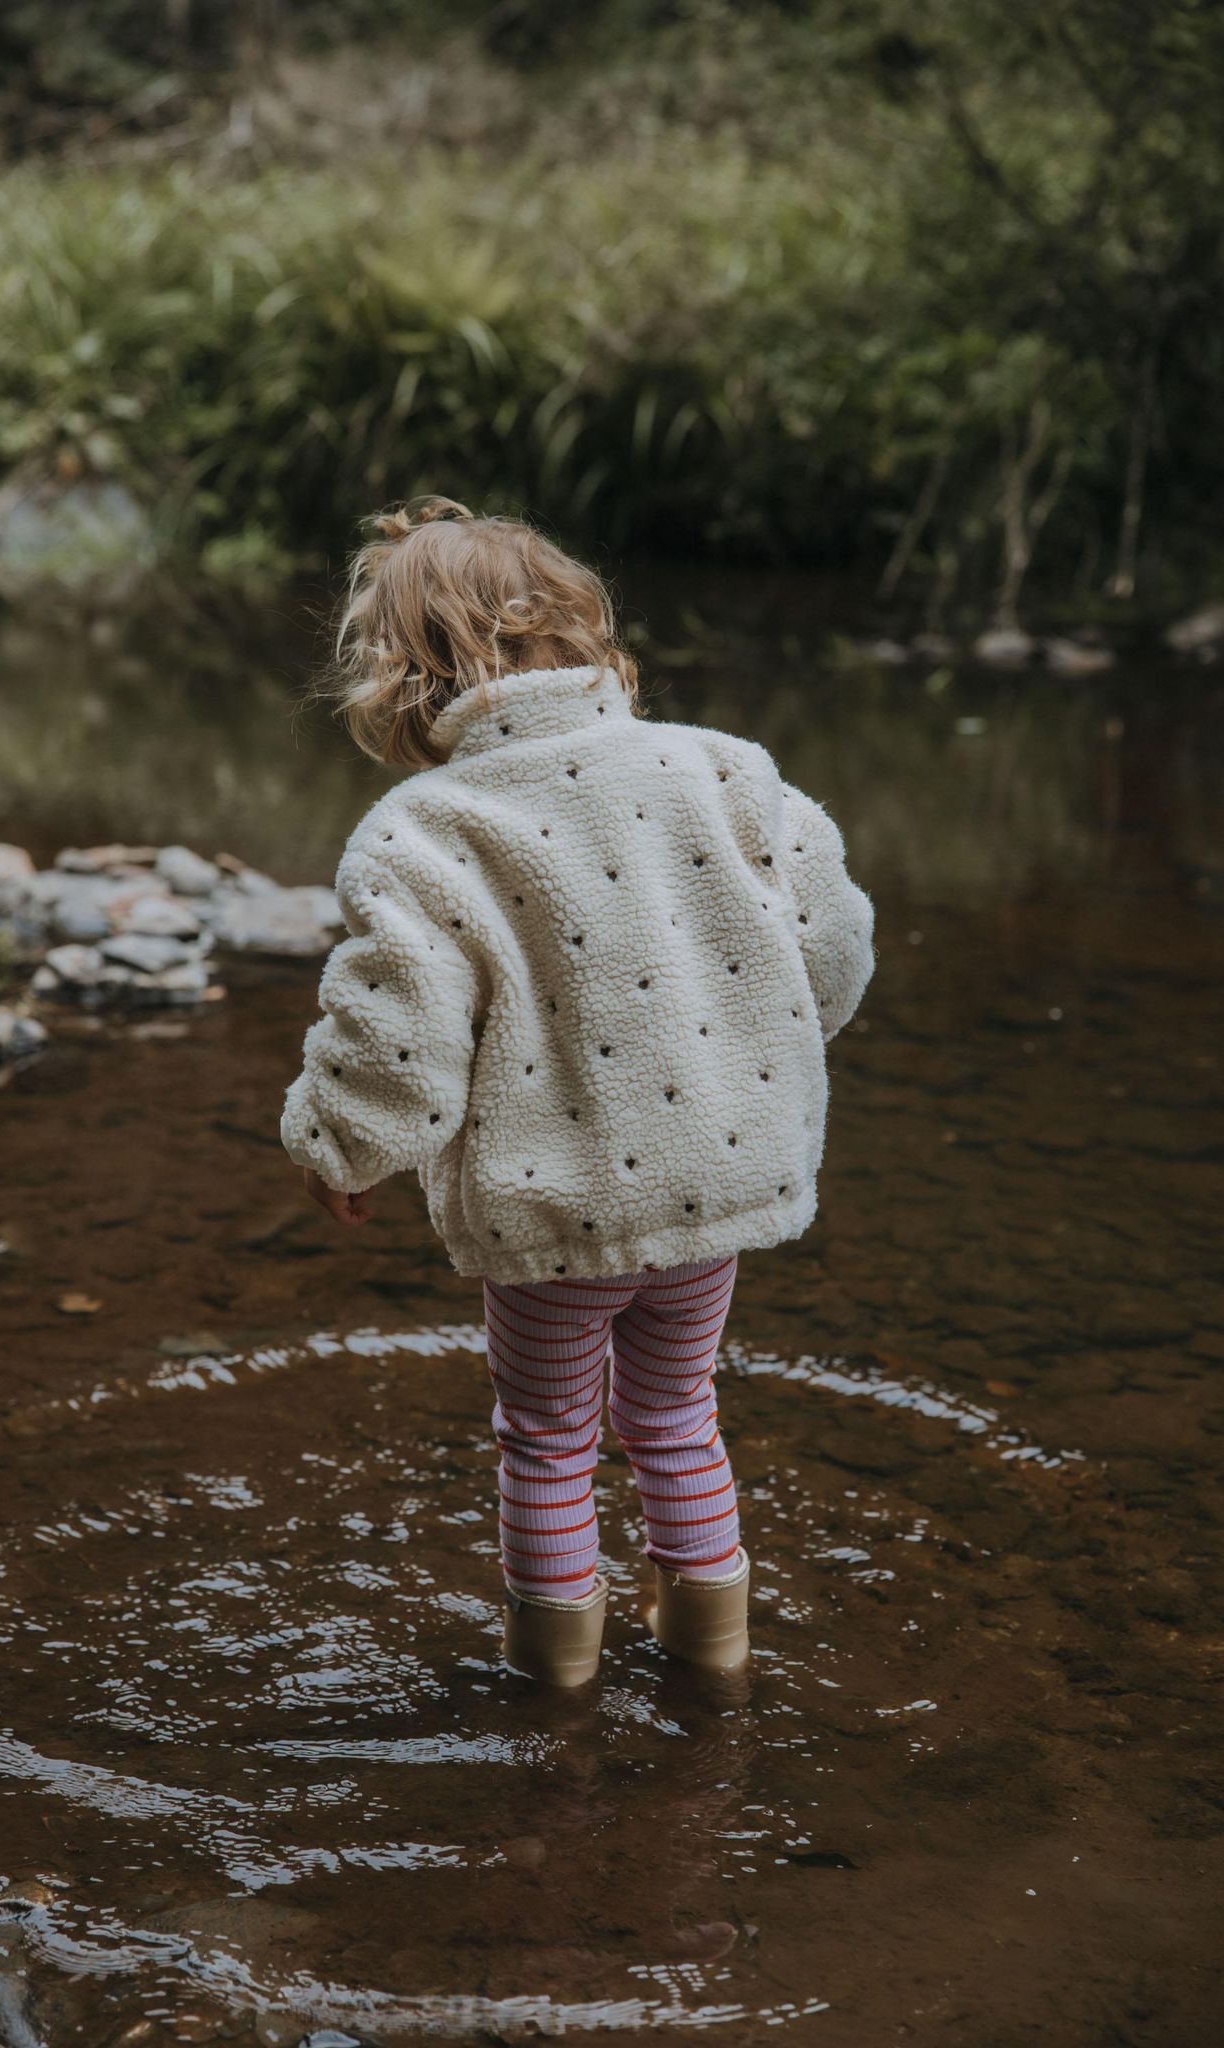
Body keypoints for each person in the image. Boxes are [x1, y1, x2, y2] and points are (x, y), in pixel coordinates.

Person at [282, 498, 873, 1685]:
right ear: (577, 626)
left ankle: (553, 1686)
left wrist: (338, 1145)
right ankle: (714, 1658)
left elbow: (398, 1032)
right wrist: (747, 1060)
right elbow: (833, 948)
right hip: (713, 1185)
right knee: (678, 1412)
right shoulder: (722, 768)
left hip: (558, 1208)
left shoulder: (425, 828)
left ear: (403, 677)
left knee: (548, 1437)